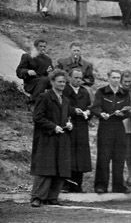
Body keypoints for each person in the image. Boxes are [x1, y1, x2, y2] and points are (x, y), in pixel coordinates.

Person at [29, 69, 73, 207]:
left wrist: (69, 125)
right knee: (45, 168)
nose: (62, 84)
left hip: (61, 138)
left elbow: (66, 117)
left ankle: (52, 197)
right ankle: (37, 197)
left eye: (64, 82)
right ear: (52, 82)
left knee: (60, 167)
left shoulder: (65, 100)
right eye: (59, 81)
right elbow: (37, 117)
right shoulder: (44, 97)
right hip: (47, 138)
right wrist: (53, 127)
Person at [90, 69, 131, 194]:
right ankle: (101, 186)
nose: (115, 80)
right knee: (103, 157)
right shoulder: (101, 91)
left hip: (119, 127)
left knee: (119, 157)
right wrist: (101, 113)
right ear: (108, 78)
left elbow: (128, 111)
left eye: (117, 78)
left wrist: (124, 113)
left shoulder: (124, 93)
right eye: (113, 77)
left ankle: (118, 186)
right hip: (105, 126)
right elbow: (95, 107)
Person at [62, 68, 92, 193]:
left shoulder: (84, 92)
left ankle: (78, 184)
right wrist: (74, 110)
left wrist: (88, 113)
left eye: (80, 78)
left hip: (82, 127)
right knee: (69, 154)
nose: (78, 80)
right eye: (76, 78)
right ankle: (66, 184)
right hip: (70, 125)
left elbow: (90, 107)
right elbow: (63, 106)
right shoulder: (65, 90)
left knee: (81, 156)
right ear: (69, 78)